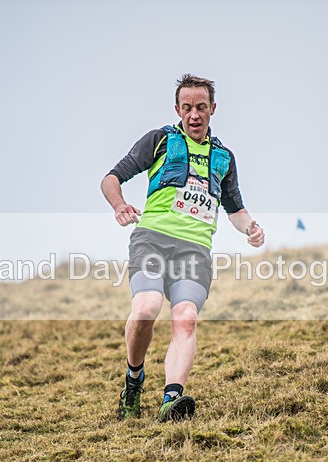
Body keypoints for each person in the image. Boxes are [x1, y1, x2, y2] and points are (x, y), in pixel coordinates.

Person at [101, 74, 265, 422]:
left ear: (212, 109)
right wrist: (120, 205)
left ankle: (170, 400)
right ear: (177, 109)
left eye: (201, 107)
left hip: (195, 251)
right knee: (146, 308)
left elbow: (234, 208)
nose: (194, 114)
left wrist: (250, 227)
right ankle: (133, 380)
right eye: (187, 107)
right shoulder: (160, 140)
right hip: (151, 240)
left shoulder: (223, 158)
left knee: (186, 318)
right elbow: (111, 178)